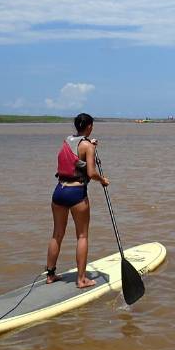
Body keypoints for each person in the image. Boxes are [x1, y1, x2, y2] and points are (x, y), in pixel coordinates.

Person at [45, 113, 109, 288]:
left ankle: (50, 275)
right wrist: (103, 180)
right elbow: (91, 173)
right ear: (89, 126)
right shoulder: (87, 146)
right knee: (82, 235)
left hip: (59, 191)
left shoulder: (67, 140)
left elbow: (76, 152)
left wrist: (90, 143)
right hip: (76, 192)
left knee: (57, 234)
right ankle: (81, 280)